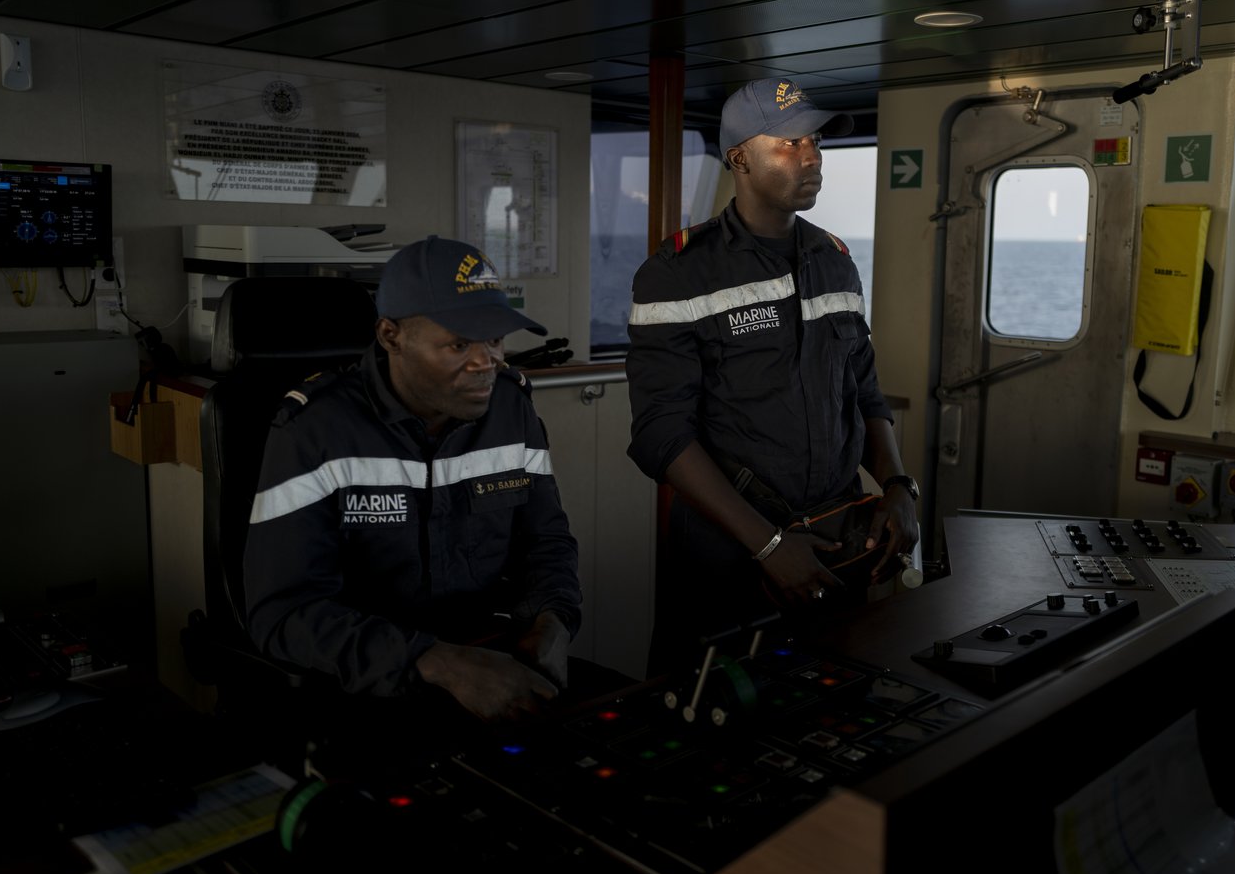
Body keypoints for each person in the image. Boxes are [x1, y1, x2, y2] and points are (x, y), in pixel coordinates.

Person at [626, 78, 920, 675]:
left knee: (836, 714)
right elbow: (662, 434)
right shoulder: (677, 272)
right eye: (789, 143)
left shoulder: (835, 262)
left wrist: (897, 488)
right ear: (740, 158)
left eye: (814, 142)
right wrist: (767, 545)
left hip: (836, 542)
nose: (810, 156)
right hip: (730, 552)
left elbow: (863, 390)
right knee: (718, 733)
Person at [244, 235, 584, 726]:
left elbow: (547, 542)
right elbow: (283, 612)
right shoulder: (315, 430)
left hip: (492, 661)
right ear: (390, 336)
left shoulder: (511, 408)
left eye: (494, 339)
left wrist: (554, 618)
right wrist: (437, 662)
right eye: (460, 343)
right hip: (366, 692)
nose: (485, 362)